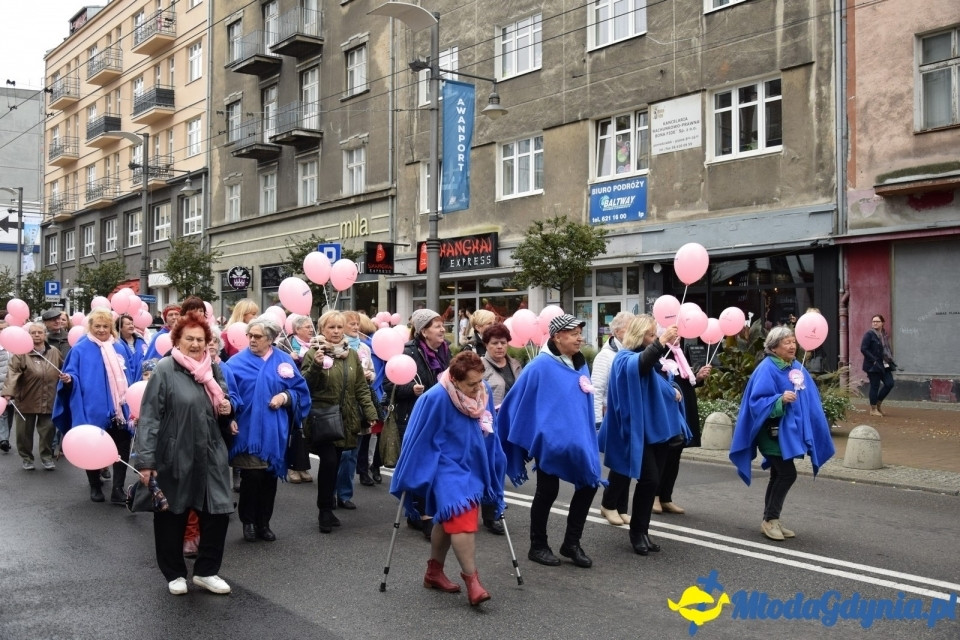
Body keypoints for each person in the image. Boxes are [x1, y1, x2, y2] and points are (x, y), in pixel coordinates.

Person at [390, 351, 506, 606]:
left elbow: (489, 426)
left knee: (447, 517)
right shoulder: (435, 397)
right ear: (454, 379)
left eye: (480, 382)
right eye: (471, 384)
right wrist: (413, 472)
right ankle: (472, 581)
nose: (478, 389)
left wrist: (493, 456)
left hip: (472, 462)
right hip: (443, 465)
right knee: (463, 515)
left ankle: (433, 572)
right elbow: (416, 438)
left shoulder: (482, 389)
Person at [134, 311, 236, 596]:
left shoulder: (212, 367)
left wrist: (227, 407)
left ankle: (206, 571)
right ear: (176, 340)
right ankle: (174, 572)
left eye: (200, 339)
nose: (194, 344)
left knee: (217, 511)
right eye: (188, 338)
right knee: (172, 514)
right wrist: (146, 461)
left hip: (211, 450)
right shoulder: (165, 369)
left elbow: (224, 398)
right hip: (174, 452)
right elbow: (150, 416)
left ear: (207, 342)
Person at [497, 314, 603, 569]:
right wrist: (535, 432)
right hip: (549, 444)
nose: (580, 337)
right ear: (557, 337)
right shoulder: (540, 366)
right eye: (574, 333)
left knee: (589, 484)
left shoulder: (580, 364)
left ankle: (571, 543)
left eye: (580, 332)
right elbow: (517, 400)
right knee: (548, 491)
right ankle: (538, 545)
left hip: (579, 441)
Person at [729, 326, 835, 541]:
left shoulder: (796, 366)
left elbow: (809, 398)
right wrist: (779, 400)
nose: (792, 345)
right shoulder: (766, 368)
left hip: (790, 432)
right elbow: (756, 402)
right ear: (774, 347)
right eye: (787, 342)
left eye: (794, 341)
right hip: (772, 433)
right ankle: (770, 520)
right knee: (787, 474)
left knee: (778, 474)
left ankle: (771, 519)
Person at [599, 315, 690, 555]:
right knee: (648, 480)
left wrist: (673, 389)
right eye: (650, 335)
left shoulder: (654, 360)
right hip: (638, 432)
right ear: (640, 336)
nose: (653, 339)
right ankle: (637, 533)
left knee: (653, 483)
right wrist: (661, 341)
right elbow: (639, 365)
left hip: (658, 432)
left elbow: (660, 380)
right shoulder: (624, 358)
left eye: (654, 334)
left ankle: (643, 531)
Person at [227, 315, 311, 542]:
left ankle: (264, 522)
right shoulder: (235, 363)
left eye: (257, 336)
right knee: (252, 477)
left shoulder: (284, 361)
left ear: (271, 339)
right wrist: (229, 416)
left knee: (269, 477)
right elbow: (226, 396)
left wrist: (285, 396)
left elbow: (301, 392)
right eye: (249, 336)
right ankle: (248, 521)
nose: (252, 340)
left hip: (276, 431)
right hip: (247, 432)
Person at [300, 311, 378, 533]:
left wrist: (370, 411)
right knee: (329, 462)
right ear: (322, 330)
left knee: (338, 460)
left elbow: (360, 386)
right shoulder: (314, 353)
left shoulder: (352, 354)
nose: (335, 332)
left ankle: (329, 505)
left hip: (346, 417)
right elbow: (304, 384)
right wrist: (315, 366)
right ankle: (324, 510)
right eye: (330, 328)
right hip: (323, 416)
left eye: (339, 327)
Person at [381, 308, 452, 540]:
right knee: (421, 466)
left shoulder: (444, 352)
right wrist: (410, 389)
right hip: (413, 417)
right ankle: (423, 515)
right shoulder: (408, 352)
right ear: (423, 331)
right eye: (437, 325)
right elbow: (389, 385)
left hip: (439, 418)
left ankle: (422, 511)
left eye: (442, 325)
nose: (442, 329)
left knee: (436, 466)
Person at [53, 308, 131, 503]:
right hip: (92, 406)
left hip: (119, 408)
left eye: (106, 326)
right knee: (92, 445)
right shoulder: (80, 348)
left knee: (122, 444)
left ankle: (118, 489)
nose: (102, 330)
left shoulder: (119, 347)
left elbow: (132, 371)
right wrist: (69, 379)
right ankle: (95, 485)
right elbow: (73, 373)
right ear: (90, 327)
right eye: (97, 326)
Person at [656, 337, 713, 515]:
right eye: (673, 332)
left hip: (683, 407)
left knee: (676, 453)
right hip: (668, 408)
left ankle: (666, 497)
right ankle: (654, 496)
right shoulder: (657, 352)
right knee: (662, 454)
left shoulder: (678, 352)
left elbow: (685, 381)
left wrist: (698, 377)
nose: (677, 336)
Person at [2, 322, 66, 471]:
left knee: (48, 430)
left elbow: (63, 368)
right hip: (26, 398)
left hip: (49, 397)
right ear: (28, 335)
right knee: (24, 433)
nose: (37, 335)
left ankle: (46, 457)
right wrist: (8, 393)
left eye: (40, 332)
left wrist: (68, 378)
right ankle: (26, 457)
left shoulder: (54, 352)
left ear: (45, 335)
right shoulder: (21, 353)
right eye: (33, 333)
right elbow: (12, 373)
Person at [590, 311, 634, 525]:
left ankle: (621, 506)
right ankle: (609, 504)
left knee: (628, 461)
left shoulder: (631, 352)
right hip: (611, 416)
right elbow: (596, 390)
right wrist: (597, 421)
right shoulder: (605, 356)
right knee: (619, 462)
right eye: (629, 329)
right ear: (617, 332)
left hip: (626, 415)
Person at [477, 322, 521, 535]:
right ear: (486, 344)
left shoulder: (515, 364)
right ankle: (490, 514)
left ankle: (495, 505)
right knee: (489, 468)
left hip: (510, 424)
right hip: (487, 426)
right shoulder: (478, 366)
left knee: (501, 467)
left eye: (503, 343)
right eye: (494, 343)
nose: (499, 347)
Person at [332, 310, 377, 504]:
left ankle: (345, 494)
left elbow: (373, 373)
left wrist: (369, 375)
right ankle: (330, 493)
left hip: (357, 405)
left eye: (357, 324)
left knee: (352, 454)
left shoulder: (365, 348)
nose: (356, 327)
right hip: (338, 407)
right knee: (337, 454)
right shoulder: (333, 348)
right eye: (351, 324)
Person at [356, 313, 385, 487]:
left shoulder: (367, 348)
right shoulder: (373, 347)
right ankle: (371, 468)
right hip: (376, 393)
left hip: (373, 393)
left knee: (369, 434)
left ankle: (368, 468)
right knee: (371, 434)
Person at [860, 314, 895, 417]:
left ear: (882, 323)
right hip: (873, 365)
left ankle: (878, 404)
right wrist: (874, 360)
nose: (875, 323)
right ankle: (873, 409)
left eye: (877, 321)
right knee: (874, 386)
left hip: (885, 363)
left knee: (890, 383)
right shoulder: (869, 334)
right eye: (873, 321)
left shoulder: (884, 334)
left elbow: (886, 349)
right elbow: (863, 349)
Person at [116, 313, 148, 385]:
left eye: (132, 324)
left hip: (142, 381)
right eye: (128, 324)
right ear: (120, 328)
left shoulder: (141, 341)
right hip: (125, 382)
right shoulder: (116, 344)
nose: (131, 326)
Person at [0, 318, 10, 454]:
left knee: (12, 414)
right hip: (1, 387)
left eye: (4, 329)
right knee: (3, 414)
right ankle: (4, 439)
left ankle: (5, 438)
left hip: (16, 387)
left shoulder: (15, 345)